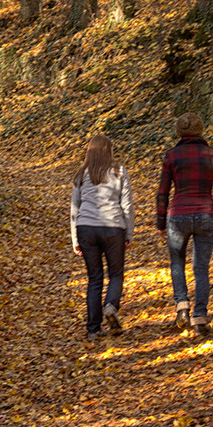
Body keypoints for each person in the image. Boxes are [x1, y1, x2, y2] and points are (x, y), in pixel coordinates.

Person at [155, 112, 213, 337]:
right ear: (201, 130)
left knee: (177, 264)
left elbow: (163, 192)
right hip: (205, 214)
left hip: (178, 216)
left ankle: (182, 306)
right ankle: (200, 318)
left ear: (179, 131)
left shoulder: (171, 156)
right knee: (201, 269)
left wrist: (160, 222)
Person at [71, 134, 134, 339]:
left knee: (94, 279)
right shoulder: (119, 171)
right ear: (109, 151)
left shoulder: (81, 174)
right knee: (115, 274)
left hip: (86, 228)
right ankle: (110, 306)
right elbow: (127, 206)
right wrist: (129, 232)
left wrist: (74, 238)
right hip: (112, 227)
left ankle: (93, 329)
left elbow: (75, 208)